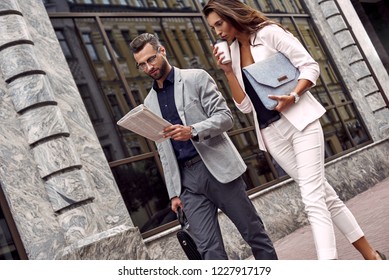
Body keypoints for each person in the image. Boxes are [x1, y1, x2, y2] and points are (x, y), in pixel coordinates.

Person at [202, 0, 386, 260]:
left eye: (219, 23)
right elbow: (244, 107)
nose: (218, 31)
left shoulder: (269, 33)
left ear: (232, 14)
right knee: (324, 194)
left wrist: (294, 95)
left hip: (302, 122)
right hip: (272, 134)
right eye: (213, 28)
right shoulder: (230, 52)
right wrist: (228, 72)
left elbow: (310, 66)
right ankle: (372, 257)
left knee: (312, 199)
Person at [129, 33, 278, 260]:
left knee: (253, 233)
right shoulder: (149, 102)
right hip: (187, 184)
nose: (149, 67)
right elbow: (163, 150)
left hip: (218, 170)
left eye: (151, 59)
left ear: (162, 51)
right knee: (209, 252)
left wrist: (192, 130)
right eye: (142, 65)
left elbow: (226, 117)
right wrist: (174, 193)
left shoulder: (196, 78)